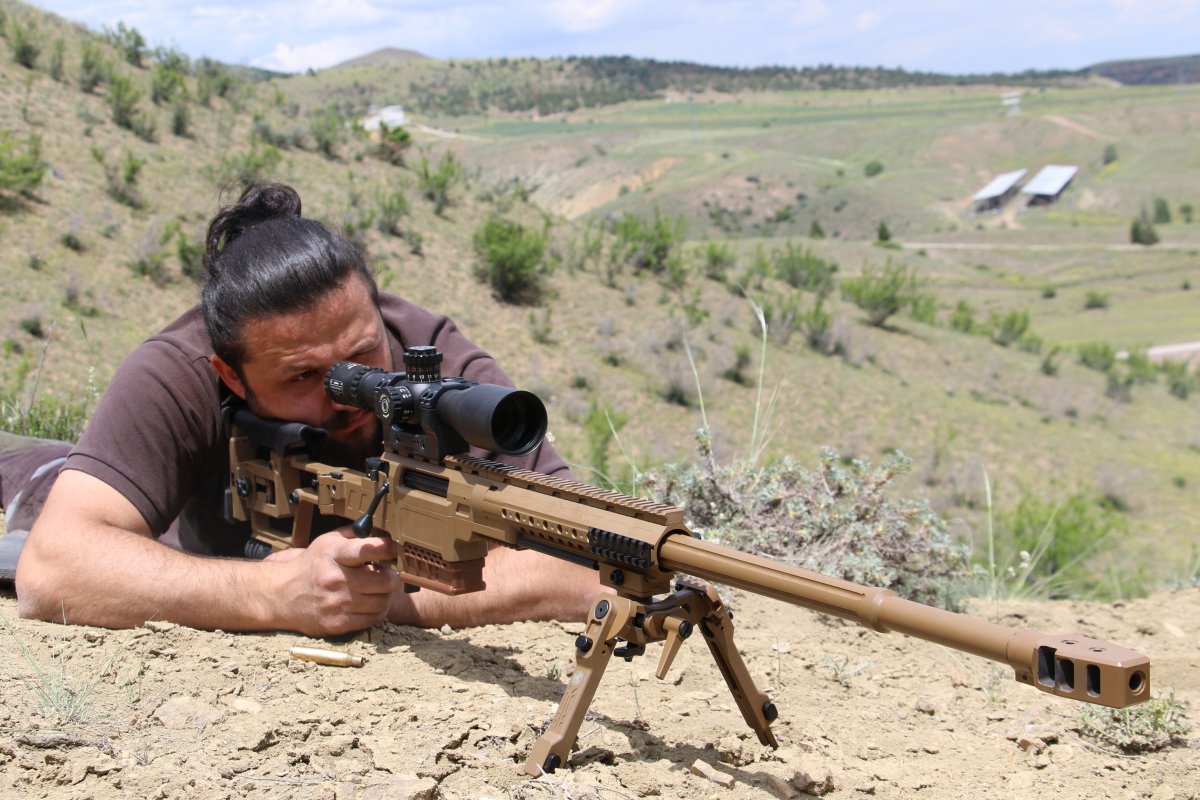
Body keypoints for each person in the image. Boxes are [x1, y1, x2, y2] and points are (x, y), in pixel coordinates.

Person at [10, 183, 600, 636]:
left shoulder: (442, 374)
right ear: (231, 377)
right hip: (87, 495)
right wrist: (271, 593)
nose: (347, 391)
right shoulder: (178, 372)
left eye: (364, 354)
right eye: (304, 376)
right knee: (29, 474)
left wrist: (398, 599)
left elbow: (583, 559)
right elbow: (54, 567)